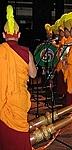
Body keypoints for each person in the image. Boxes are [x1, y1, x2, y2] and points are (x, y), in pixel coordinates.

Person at [0, 5, 37, 150]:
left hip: (2, 100)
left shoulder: (1, 51)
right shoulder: (26, 53)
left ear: (3, 35)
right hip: (18, 102)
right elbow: (33, 74)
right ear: (19, 35)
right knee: (20, 134)